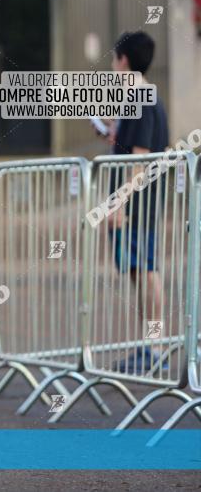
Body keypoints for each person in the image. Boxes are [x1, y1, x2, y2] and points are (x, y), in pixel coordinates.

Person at [106, 31, 169, 373]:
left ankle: (154, 346)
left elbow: (139, 160)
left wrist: (119, 204)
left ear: (124, 60)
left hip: (138, 207)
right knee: (139, 271)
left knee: (145, 272)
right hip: (137, 206)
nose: (113, 66)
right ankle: (149, 345)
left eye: (114, 59)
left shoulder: (142, 98)